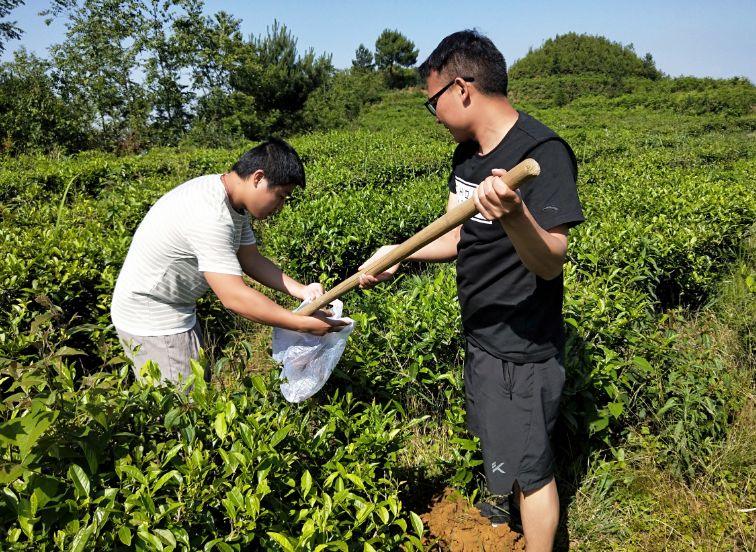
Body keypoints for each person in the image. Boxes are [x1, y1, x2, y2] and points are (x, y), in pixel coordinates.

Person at [358, 30, 583, 551]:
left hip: (524, 345)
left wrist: (514, 216)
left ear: (461, 89)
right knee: (498, 438)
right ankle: (502, 507)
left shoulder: (541, 152)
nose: (433, 113)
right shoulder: (466, 157)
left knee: (534, 466)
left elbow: (549, 262)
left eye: (432, 101)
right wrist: (398, 255)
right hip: (482, 333)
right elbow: (458, 234)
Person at [111, 138, 347, 383]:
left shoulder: (232, 201)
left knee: (197, 385)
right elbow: (233, 297)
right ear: (258, 178)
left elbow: (251, 259)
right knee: (184, 403)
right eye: (281, 196)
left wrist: (303, 290)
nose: (281, 206)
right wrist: (299, 324)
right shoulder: (211, 214)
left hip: (175, 306)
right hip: (153, 317)